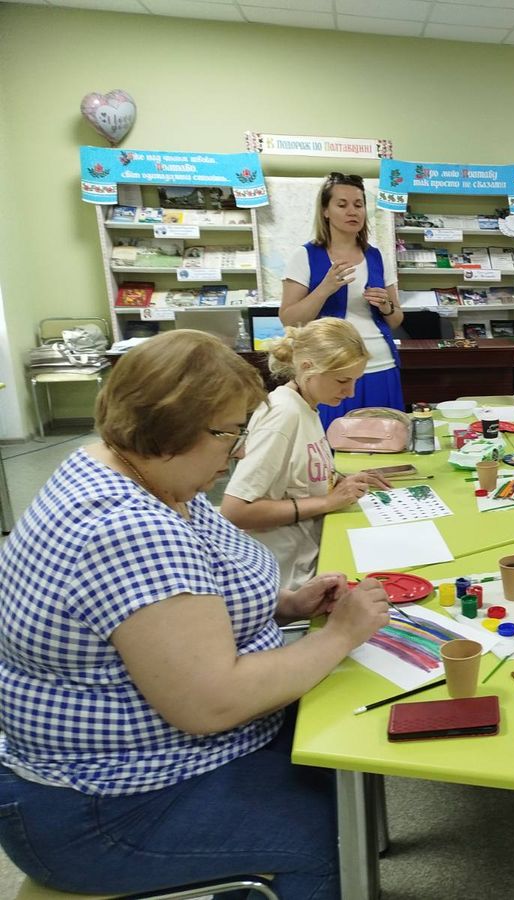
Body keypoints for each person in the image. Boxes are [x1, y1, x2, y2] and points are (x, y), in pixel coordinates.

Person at [0, 330, 391, 898]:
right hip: (102, 805)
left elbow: (180, 603)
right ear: (170, 427)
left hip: (149, 765)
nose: (238, 452)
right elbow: (213, 704)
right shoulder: (127, 527)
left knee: (339, 741)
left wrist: (287, 603)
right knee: (325, 837)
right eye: (228, 433)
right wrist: (339, 636)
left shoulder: (141, 474)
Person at [221, 318, 390, 589]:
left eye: (355, 381)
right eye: (342, 380)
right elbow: (235, 510)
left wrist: (340, 480)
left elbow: (298, 476)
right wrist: (327, 502)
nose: (350, 392)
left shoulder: (306, 405)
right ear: (307, 367)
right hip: (287, 577)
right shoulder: (283, 414)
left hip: (308, 556)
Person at [281, 171, 405, 428]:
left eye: (358, 205)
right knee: (331, 442)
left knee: (387, 439)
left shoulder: (377, 257)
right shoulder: (304, 256)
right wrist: (324, 289)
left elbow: (396, 319)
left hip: (381, 365)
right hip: (330, 371)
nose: (352, 212)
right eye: (342, 204)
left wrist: (386, 306)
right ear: (325, 211)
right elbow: (289, 319)